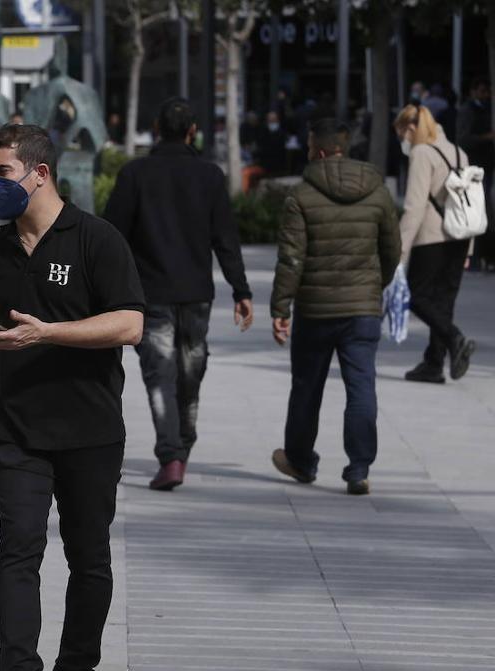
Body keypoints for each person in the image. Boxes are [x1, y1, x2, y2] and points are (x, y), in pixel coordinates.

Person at [0, 123, 145, 671]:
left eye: (1, 172)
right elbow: (3, 332)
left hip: (90, 427)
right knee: (17, 551)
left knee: (87, 556)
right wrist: (4, 387)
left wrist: (48, 333)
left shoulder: (95, 239)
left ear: (38, 173)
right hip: (18, 428)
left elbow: (129, 324)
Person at [103, 97, 253, 491]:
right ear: (192, 133)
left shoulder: (135, 174)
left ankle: (171, 457)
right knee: (190, 372)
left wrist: (104, 287)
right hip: (196, 294)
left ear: (156, 128)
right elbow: (226, 238)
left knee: (160, 375)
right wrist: (241, 290)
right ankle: (180, 447)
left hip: (150, 293)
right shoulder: (209, 176)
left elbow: (112, 235)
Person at [269, 119, 400, 495]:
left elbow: (291, 259)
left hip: (315, 310)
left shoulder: (302, 195)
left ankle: (300, 460)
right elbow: (392, 250)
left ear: (322, 151)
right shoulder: (377, 192)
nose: (308, 152)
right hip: (363, 310)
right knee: (361, 387)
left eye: (310, 146)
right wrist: (375, 286)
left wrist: (281, 308)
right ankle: (358, 469)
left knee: (307, 387)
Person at [394, 104, 477, 384]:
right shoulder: (459, 152)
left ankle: (454, 338)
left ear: (413, 128)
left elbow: (414, 206)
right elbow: (470, 203)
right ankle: (434, 363)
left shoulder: (421, 153)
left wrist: (400, 249)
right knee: (443, 301)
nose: (402, 140)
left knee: (416, 296)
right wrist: (472, 247)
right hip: (461, 237)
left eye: (402, 133)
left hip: (431, 237)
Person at [457, 79, 494, 272]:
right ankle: (475, 257)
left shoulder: (487, 108)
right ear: (473, 92)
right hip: (475, 166)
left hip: (486, 165)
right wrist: (485, 138)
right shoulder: (468, 110)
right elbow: (463, 138)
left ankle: (482, 255)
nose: (486, 94)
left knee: (484, 211)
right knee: (477, 211)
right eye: (482, 90)